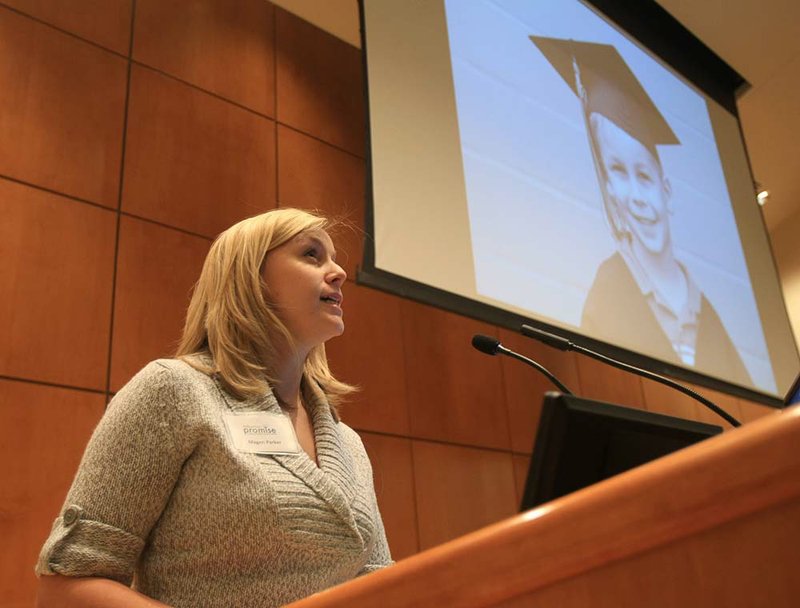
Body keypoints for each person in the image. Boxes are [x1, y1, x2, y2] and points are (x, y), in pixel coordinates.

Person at [35, 208, 393, 607]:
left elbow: (381, 587)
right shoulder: (173, 392)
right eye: (311, 255)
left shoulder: (349, 444)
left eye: (333, 257)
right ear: (250, 279)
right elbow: (65, 589)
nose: (339, 271)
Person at [530, 36, 751, 386]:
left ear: (667, 190)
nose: (635, 196)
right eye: (617, 172)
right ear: (609, 190)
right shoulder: (609, 291)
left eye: (644, 175)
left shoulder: (706, 311)